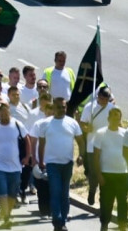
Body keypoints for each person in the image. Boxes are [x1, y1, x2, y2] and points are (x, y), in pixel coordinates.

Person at [38, 97, 85, 231]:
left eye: (64, 107)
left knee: (65, 194)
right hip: (52, 164)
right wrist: (41, 161)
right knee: (55, 191)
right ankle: (57, 221)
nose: (62, 109)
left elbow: (81, 142)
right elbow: (41, 145)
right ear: (53, 107)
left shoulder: (72, 123)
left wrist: (81, 155)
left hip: (67, 163)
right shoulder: (45, 124)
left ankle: (62, 221)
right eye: (59, 107)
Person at [0, 102, 31, 229]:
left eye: (5, 113)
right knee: (3, 192)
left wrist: (27, 157)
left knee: (12, 193)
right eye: (1, 113)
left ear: (9, 112)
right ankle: (6, 217)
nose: (3, 116)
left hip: (15, 166)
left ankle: (7, 213)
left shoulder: (17, 125)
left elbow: (27, 140)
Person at [77, 86, 114, 205]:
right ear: (98, 96)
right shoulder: (90, 107)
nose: (104, 101)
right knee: (94, 172)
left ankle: (103, 197)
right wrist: (88, 128)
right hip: (92, 144)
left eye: (106, 99)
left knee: (106, 172)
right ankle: (92, 190)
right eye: (102, 98)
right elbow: (82, 123)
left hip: (107, 146)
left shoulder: (113, 109)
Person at [93, 107, 128, 231]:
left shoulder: (125, 134)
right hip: (106, 174)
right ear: (108, 118)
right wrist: (99, 175)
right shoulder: (101, 133)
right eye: (113, 116)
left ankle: (122, 225)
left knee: (122, 202)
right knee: (106, 202)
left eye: (117, 117)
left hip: (123, 174)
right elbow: (96, 156)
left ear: (120, 119)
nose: (115, 119)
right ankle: (104, 225)